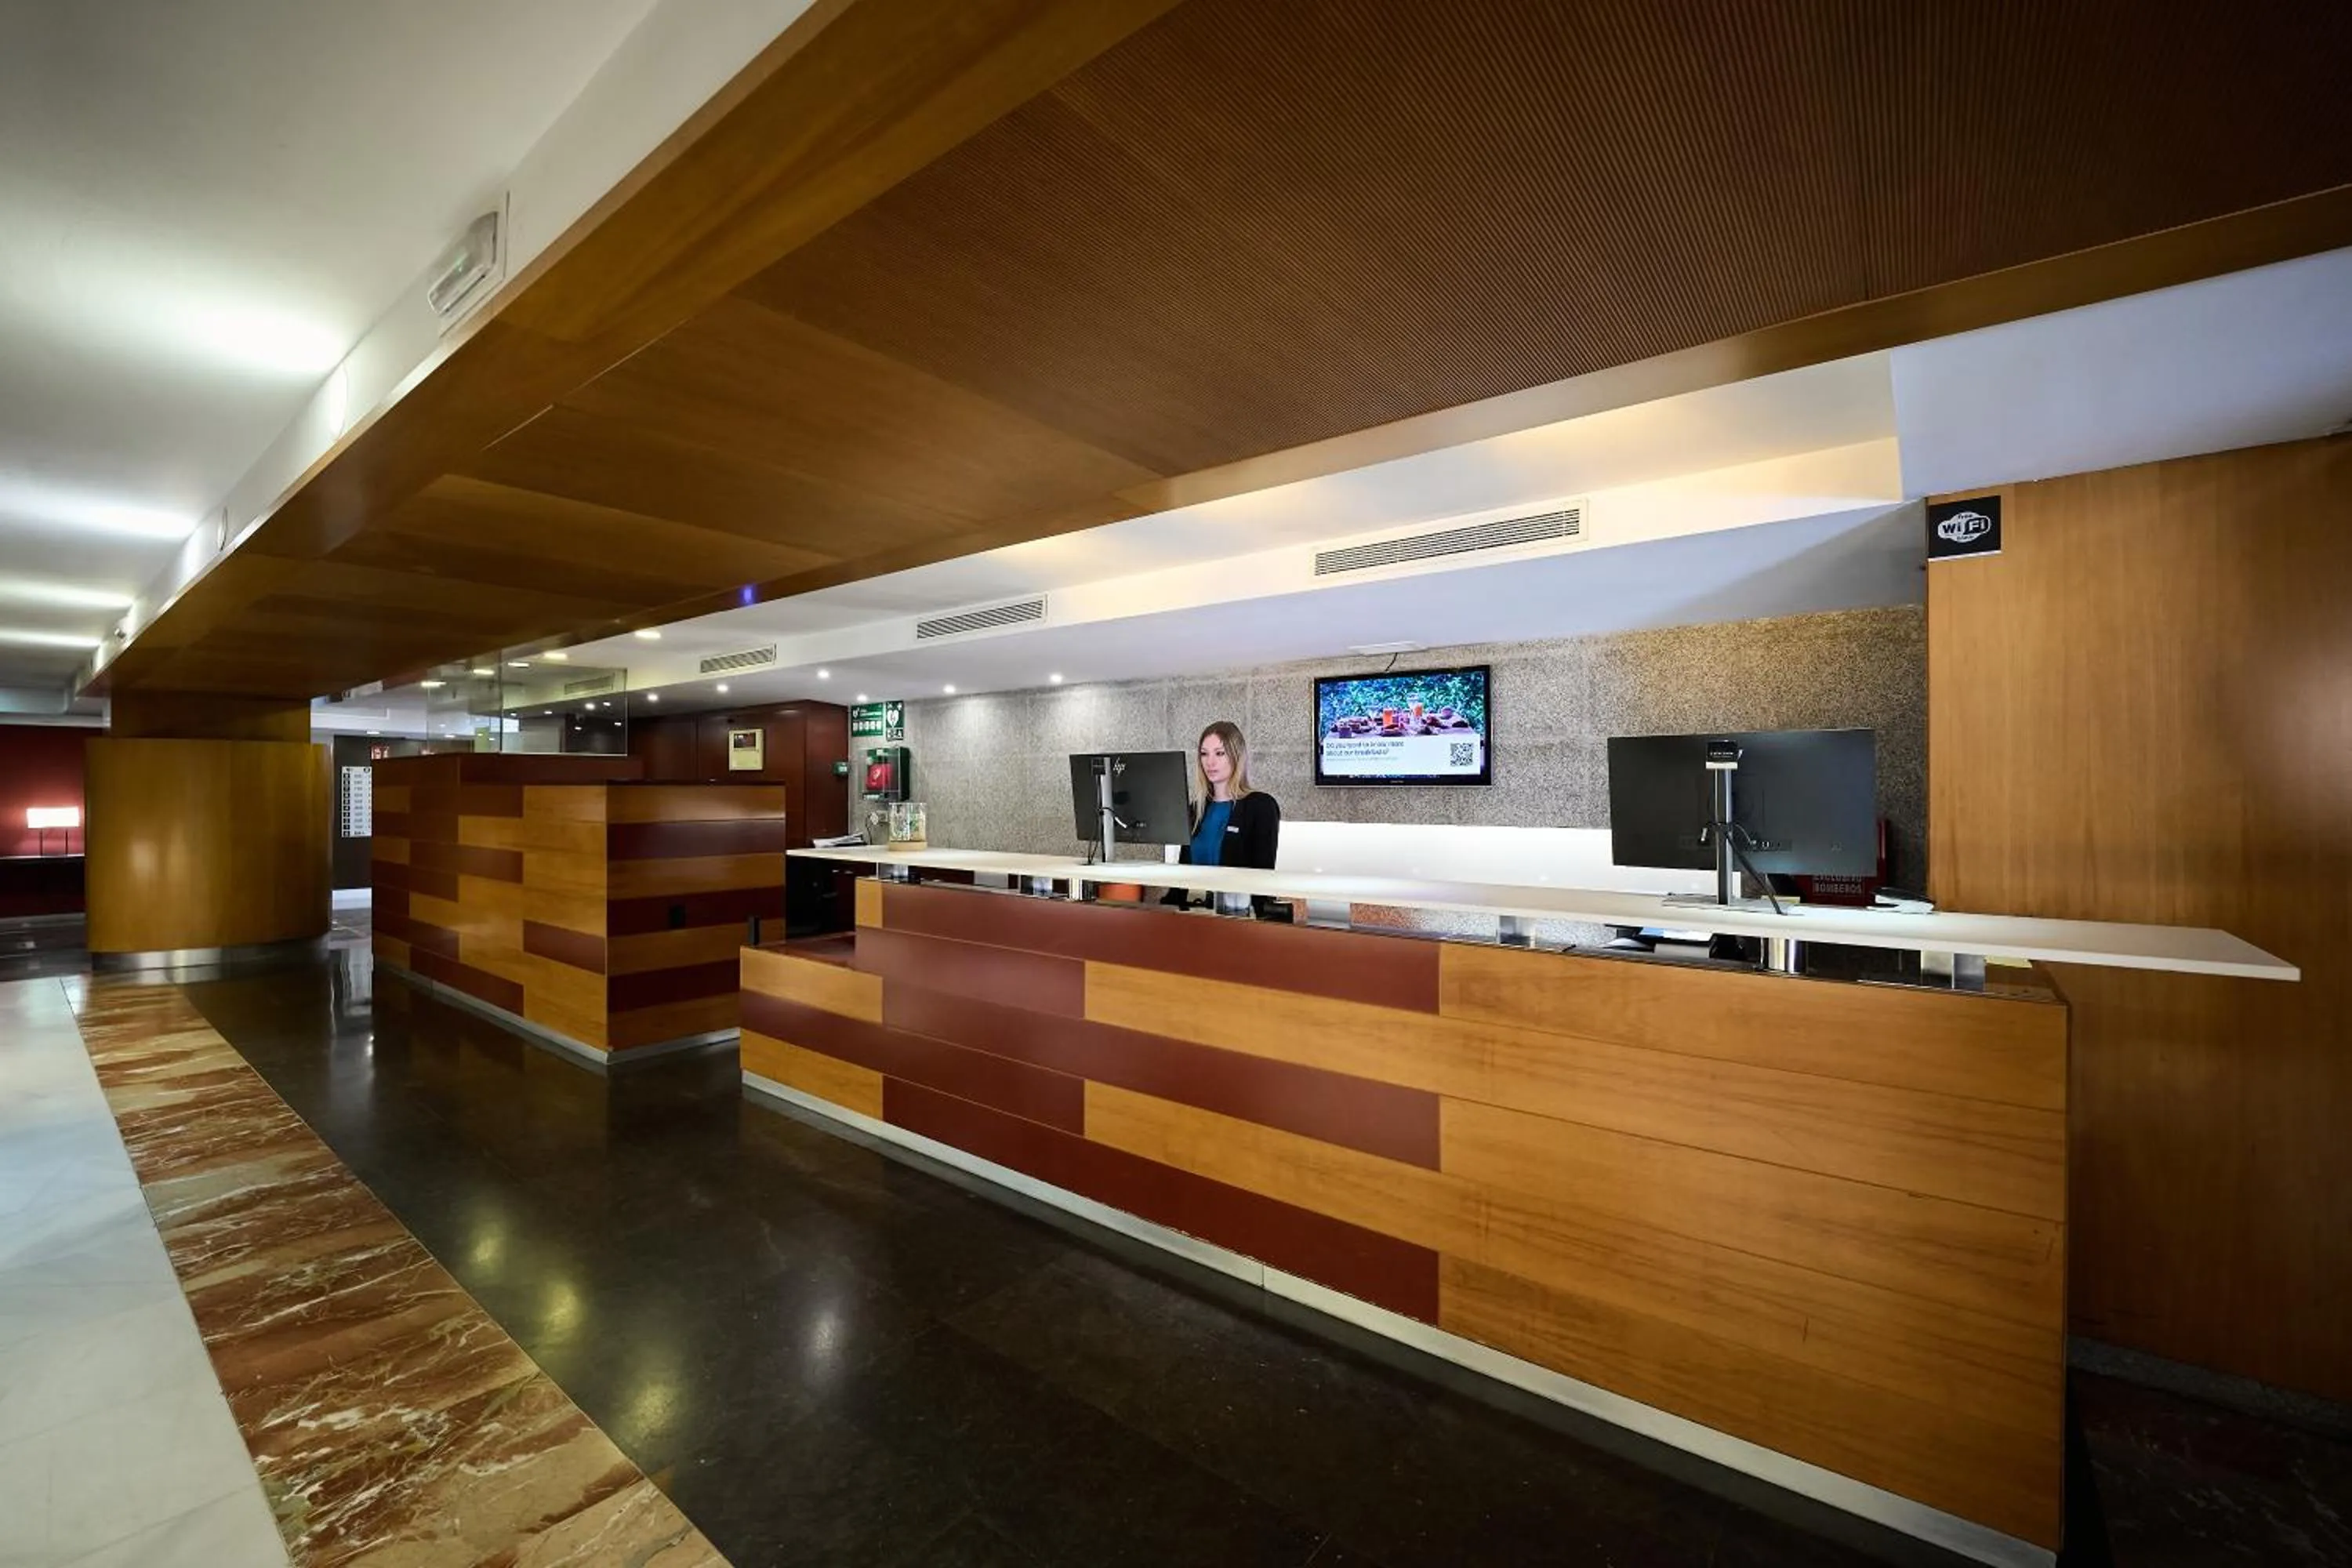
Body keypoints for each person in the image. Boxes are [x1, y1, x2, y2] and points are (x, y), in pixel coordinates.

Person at [1167, 720, 1281, 910]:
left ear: (1236, 756)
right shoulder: (1196, 809)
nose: (1210, 762)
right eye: (1204, 754)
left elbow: (1263, 879)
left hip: (1239, 917)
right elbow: (1182, 876)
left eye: (1220, 753)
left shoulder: (1261, 806)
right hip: (1193, 917)